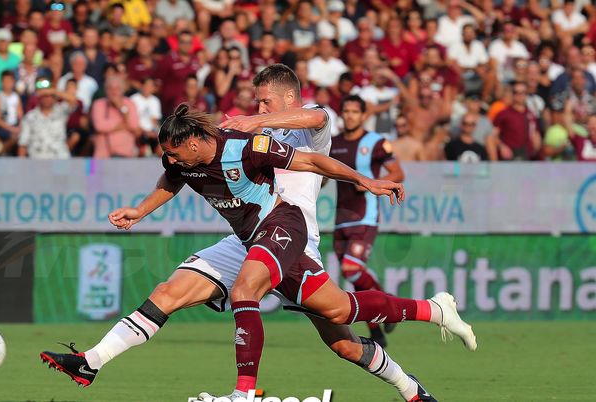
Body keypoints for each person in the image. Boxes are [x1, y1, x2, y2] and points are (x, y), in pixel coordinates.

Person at [40, 65, 475, 402]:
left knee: (321, 319)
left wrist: (258, 122)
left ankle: (248, 391)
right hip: (251, 238)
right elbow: (182, 170)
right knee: (174, 291)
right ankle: (91, 362)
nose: (260, 109)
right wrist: (141, 209)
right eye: (256, 102)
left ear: (287, 97)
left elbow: (311, 122)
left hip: (293, 232)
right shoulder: (240, 138)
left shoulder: (314, 122)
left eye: (266, 102)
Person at [329, 95, 405, 348]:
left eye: (354, 112)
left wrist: (372, 183)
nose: (350, 115)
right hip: (340, 218)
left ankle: (387, 303)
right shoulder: (333, 143)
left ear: (364, 115)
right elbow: (325, 174)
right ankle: (377, 330)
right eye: (346, 111)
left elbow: (397, 172)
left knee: (352, 269)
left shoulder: (375, 142)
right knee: (353, 275)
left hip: (365, 216)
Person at [17, 78, 78, 159]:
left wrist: (53, 91)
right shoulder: (29, 117)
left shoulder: (61, 111)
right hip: (38, 161)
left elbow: (73, 100)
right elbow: (23, 143)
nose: (47, 98)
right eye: (44, 96)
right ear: (39, 97)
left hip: (60, 159)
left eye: (50, 96)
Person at [90, 76, 141, 158]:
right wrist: (121, 125)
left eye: (117, 88)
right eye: (110, 88)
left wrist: (121, 107)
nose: (113, 92)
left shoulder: (130, 104)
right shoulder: (98, 104)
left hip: (125, 153)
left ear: (122, 90)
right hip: (103, 155)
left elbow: (134, 125)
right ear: (106, 90)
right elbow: (99, 126)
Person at [0, 71, 23, 156]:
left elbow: (20, 116)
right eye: (5, 81)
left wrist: (19, 127)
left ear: (13, 82)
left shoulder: (16, 96)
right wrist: (11, 129)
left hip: (14, 126)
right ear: (1, 82)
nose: (7, 84)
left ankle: (0, 150)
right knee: (13, 137)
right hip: (2, 127)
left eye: (9, 81)